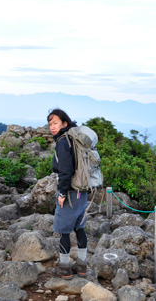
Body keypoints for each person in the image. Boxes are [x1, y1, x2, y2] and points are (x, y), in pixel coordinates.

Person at [48, 108, 88, 280]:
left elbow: (65, 171)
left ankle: (64, 267)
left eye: (55, 123)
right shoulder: (74, 138)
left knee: (64, 231)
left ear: (64, 123)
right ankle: (82, 265)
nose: (52, 127)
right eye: (50, 124)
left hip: (70, 193)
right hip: (82, 192)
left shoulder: (64, 142)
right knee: (80, 228)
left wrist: (62, 193)